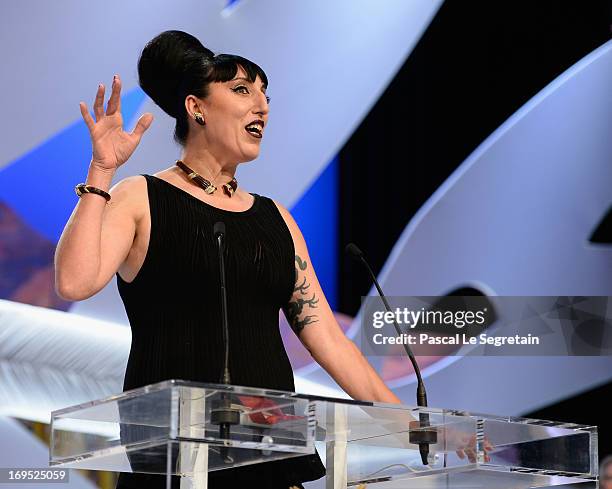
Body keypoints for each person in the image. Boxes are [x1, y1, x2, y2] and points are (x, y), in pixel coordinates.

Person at [54, 30, 402, 488]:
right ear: (196, 108)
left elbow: (331, 342)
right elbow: (75, 283)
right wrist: (101, 170)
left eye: (265, 96)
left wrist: (410, 420)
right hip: (173, 461)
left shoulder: (275, 218)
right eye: (242, 90)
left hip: (273, 458)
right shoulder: (142, 197)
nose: (262, 106)